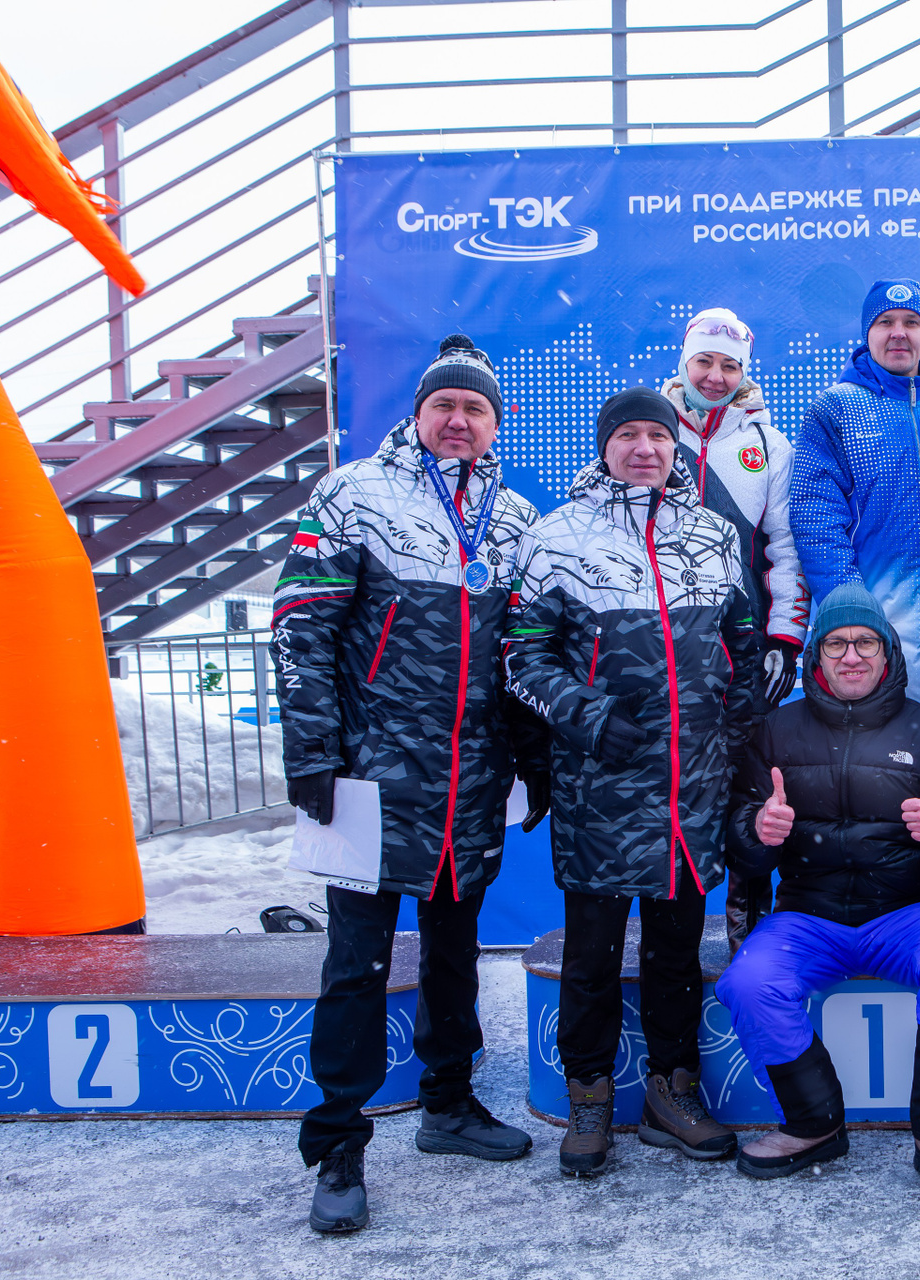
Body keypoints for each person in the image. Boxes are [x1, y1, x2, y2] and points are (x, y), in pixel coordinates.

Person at [276, 334, 549, 1234]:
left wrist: (533, 759)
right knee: (355, 964)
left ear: (496, 424)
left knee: (453, 953)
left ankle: (449, 1103)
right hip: (368, 779)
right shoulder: (353, 493)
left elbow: (522, 656)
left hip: (469, 782)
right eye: (446, 406)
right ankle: (338, 1142)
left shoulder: (513, 519)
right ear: (420, 413)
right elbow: (301, 625)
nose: (459, 421)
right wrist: (312, 751)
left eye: (476, 409)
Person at [506, 386, 762, 1178]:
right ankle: (588, 1100)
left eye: (658, 434)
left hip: (692, 786)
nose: (645, 448)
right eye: (629, 436)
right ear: (605, 446)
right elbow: (521, 653)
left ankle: (670, 1093)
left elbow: (742, 644)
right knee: (592, 952)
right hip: (602, 785)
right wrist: (582, 714)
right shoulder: (556, 537)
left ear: (674, 446)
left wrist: (734, 736)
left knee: (676, 950)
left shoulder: (713, 534)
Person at [718, 582, 920, 1202]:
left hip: (907, 913)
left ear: (888, 651)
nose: (852, 655)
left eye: (866, 642)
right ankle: (813, 1125)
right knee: (748, 982)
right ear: (815, 655)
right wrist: (757, 832)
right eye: (836, 643)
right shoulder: (775, 731)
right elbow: (739, 848)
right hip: (807, 917)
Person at [658, 306, 809, 951]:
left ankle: (749, 924)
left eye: (729, 365)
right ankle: (675, 936)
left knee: (751, 779)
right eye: (704, 362)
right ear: (684, 362)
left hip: (742, 646)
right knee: (676, 778)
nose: (715, 377)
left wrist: (784, 638)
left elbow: (786, 550)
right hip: (665, 643)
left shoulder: (768, 444)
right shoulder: (652, 431)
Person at [791, 279, 920, 707]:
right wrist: (851, 614)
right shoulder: (836, 408)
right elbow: (816, 520)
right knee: (888, 740)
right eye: (885, 322)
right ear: (868, 333)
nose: (899, 332)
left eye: (911, 322)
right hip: (877, 628)